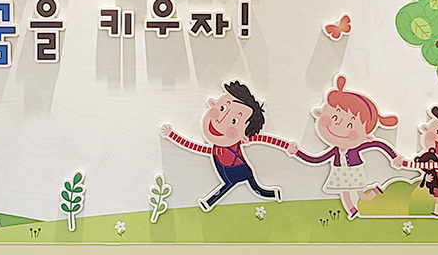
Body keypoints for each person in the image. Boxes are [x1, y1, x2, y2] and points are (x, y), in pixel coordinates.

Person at [161, 80, 299, 212]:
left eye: (234, 121)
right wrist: (172, 135)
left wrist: (287, 146)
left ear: (243, 135)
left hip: (237, 167)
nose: (220, 121)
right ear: (213, 103)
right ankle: (271, 194)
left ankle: (210, 202)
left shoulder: (232, 144)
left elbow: (264, 138)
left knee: (241, 185)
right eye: (222, 108)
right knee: (251, 187)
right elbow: (194, 146)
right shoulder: (216, 148)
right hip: (228, 167)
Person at [294, 75, 406, 219]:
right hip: (339, 173)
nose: (338, 127)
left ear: (366, 135)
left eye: (350, 125)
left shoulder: (356, 147)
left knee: (362, 195)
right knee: (344, 193)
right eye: (335, 118)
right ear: (320, 114)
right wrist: (296, 152)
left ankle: (375, 192)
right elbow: (317, 159)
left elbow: (378, 144)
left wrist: (394, 157)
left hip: (354, 171)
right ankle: (352, 211)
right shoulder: (334, 151)